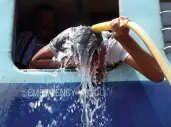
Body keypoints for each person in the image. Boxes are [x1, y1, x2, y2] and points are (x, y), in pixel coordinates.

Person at [29, 16, 164, 83]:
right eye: (86, 64)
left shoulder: (112, 46)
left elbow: (157, 76)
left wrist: (125, 38)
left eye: (94, 63)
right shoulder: (66, 39)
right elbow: (34, 62)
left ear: (104, 51)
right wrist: (68, 63)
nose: (91, 70)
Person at [14, 4, 56, 69]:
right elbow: (20, 68)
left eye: (52, 21)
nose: (49, 24)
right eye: (43, 20)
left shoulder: (53, 42)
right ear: (35, 23)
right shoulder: (28, 37)